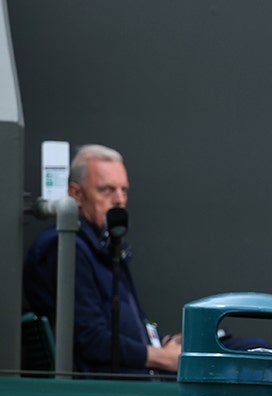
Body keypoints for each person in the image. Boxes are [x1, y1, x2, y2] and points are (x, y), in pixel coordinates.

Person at [24, 144, 182, 376]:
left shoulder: (106, 245)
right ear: (76, 194)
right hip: (104, 392)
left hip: (133, 377)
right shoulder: (66, 248)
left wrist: (160, 345)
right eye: (107, 190)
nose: (119, 200)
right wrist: (160, 358)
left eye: (124, 190)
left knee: (241, 346)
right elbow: (90, 340)